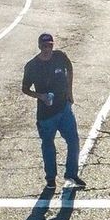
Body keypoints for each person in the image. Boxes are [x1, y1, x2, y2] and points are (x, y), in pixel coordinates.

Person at [23, 32, 85, 191]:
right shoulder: (32, 66)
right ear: (39, 46)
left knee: (73, 140)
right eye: (44, 46)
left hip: (64, 109)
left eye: (49, 46)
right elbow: (25, 89)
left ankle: (71, 174)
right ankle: (50, 179)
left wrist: (70, 92)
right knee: (48, 145)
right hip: (46, 115)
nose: (47, 49)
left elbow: (69, 68)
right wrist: (41, 96)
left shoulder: (60, 57)